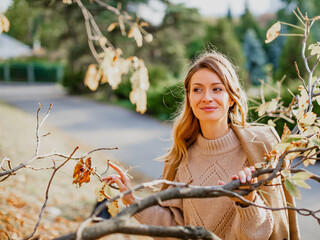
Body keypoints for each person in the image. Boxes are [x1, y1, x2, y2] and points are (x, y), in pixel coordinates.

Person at [102, 52, 300, 240]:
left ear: (231, 97)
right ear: (189, 97)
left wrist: (247, 201)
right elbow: (175, 228)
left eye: (217, 89)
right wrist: (133, 201)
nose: (206, 97)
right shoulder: (180, 156)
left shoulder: (262, 146)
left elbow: (266, 231)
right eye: (197, 89)